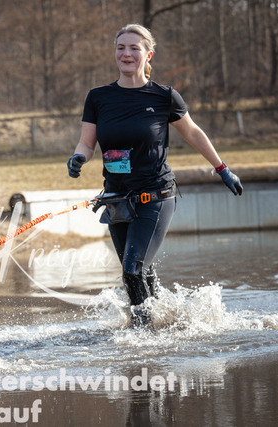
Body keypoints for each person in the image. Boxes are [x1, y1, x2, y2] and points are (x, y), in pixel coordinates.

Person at [67, 24, 243, 327]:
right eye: (121, 47)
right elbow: (87, 142)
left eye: (134, 48)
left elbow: (192, 133)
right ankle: (168, 323)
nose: (126, 53)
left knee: (131, 271)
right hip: (117, 199)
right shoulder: (98, 97)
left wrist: (222, 169)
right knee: (140, 272)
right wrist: (78, 157)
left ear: (148, 55)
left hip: (156, 196)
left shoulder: (164, 96)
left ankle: (143, 334)